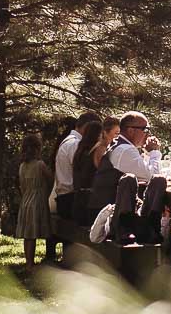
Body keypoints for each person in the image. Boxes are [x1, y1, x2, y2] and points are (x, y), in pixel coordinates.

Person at [88, 110, 167, 244]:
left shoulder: (120, 146)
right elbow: (150, 175)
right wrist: (154, 152)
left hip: (111, 205)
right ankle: (132, 229)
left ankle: (152, 225)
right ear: (131, 130)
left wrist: (148, 155)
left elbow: (149, 175)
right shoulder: (125, 150)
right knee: (131, 179)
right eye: (145, 129)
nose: (148, 133)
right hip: (112, 213)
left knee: (159, 180)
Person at [50, 112, 96, 245]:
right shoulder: (74, 144)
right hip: (69, 199)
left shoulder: (69, 141)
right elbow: (81, 172)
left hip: (65, 198)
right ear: (87, 127)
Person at [15, 132, 53, 267]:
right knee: (33, 234)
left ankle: (28, 262)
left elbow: (22, 186)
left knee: (28, 235)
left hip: (26, 201)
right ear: (37, 148)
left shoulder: (22, 166)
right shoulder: (40, 165)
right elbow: (50, 179)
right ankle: (32, 264)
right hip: (37, 201)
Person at [70, 117, 107, 228]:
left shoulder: (80, 151)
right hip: (88, 206)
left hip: (77, 203)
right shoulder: (96, 151)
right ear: (98, 135)